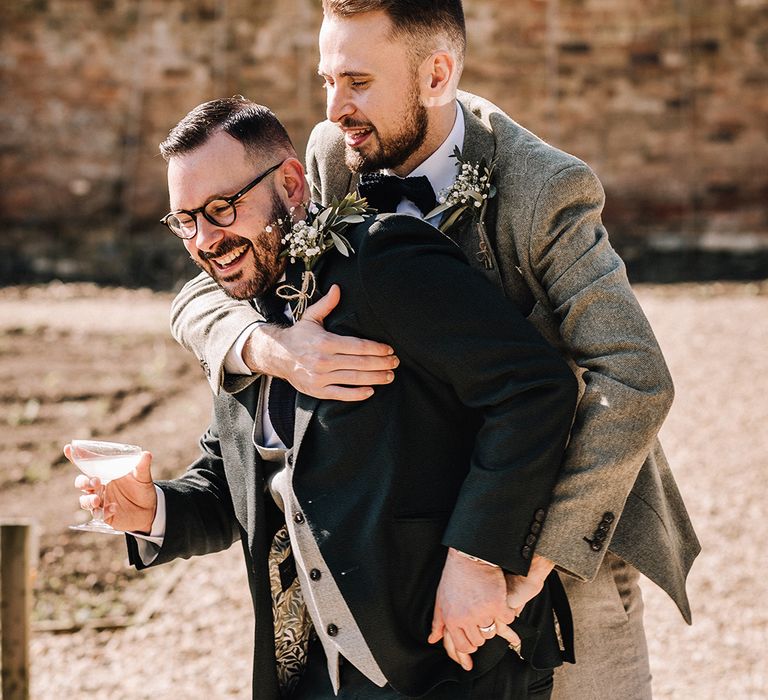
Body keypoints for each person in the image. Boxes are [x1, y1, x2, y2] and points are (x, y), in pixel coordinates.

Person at [169, 2, 701, 698]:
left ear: (438, 74)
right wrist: (268, 347)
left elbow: (634, 378)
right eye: (327, 78)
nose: (335, 107)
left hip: (564, 530)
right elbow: (206, 288)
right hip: (425, 543)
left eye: (357, 81)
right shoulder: (335, 157)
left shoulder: (542, 188)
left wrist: (520, 562)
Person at [73, 98, 578, 699]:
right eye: (185, 220)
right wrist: (151, 511)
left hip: (449, 659)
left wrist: (476, 556)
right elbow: (231, 485)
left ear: (290, 183)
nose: (206, 240)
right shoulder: (245, 324)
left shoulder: (384, 260)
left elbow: (534, 390)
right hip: (308, 678)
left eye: (221, 209)